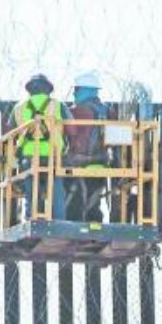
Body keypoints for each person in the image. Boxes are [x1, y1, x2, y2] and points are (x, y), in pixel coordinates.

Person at [11, 73, 69, 221]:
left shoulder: (18, 108)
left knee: (32, 189)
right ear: (48, 89)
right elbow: (73, 129)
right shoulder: (57, 105)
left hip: (29, 158)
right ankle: (58, 221)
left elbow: (9, 133)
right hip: (53, 156)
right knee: (57, 189)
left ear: (29, 90)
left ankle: (32, 218)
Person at [64, 70, 111, 222]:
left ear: (85, 90)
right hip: (102, 163)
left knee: (74, 201)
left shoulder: (77, 111)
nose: (74, 93)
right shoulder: (107, 111)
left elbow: (69, 134)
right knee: (93, 201)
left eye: (76, 90)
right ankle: (94, 227)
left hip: (79, 163)